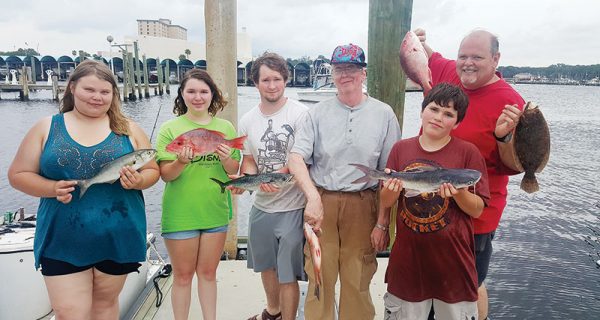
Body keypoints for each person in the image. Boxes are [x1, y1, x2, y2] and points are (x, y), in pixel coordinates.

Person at [7, 59, 160, 319]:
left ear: (114, 94)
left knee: (105, 305)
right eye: (89, 90)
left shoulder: (129, 130)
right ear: (72, 87)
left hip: (118, 233)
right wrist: (51, 187)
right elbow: (18, 175)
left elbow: (152, 171)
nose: (97, 97)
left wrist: (140, 181)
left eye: (105, 92)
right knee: (69, 312)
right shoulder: (46, 127)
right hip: (62, 236)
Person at [414, 28, 525, 320]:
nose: (468, 63)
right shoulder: (449, 71)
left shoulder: (511, 102)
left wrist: (503, 138)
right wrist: (419, 44)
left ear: (496, 59)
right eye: (463, 56)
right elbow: (429, 57)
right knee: (431, 276)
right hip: (430, 203)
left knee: (470, 282)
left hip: (477, 212)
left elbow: (516, 167)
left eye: (477, 57)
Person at [288, 43, 402, 320]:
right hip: (322, 204)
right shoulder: (316, 112)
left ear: (363, 73)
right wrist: (313, 198)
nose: (345, 74)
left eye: (352, 68)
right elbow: (295, 158)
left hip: (363, 204)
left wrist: (382, 223)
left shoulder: (384, 114)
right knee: (319, 278)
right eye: (339, 69)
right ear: (332, 73)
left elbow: (390, 173)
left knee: (358, 277)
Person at [372, 83, 490, 320]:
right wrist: (392, 189)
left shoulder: (468, 154)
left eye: (448, 114)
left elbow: (477, 209)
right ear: (423, 110)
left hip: (454, 266)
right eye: (434, 109)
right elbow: (386, 199)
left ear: (456, 123)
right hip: (408, 265)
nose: (438, 118)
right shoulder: (401, 149)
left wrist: (459, 193)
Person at [155, 69, 240, 320]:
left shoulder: (225, 127)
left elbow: (233, 170)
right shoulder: (171, 129)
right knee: (182, 276)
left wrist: (226, 158)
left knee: (209, 273)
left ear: (212, 94)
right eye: (191, 91)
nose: (198, 97)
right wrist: (180, 161)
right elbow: (166, 175)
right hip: (180, 213)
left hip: (215, 210)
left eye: (204, 91)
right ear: (182, 94)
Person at [230, 52, 308, 320]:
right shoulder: (247, 119)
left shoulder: (301, 113)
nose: (272, 85)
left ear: (285, 80)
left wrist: (277, 175)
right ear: (256, 83)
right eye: (266, 79)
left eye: (277, 79)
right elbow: (250, 160)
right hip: (261, 205)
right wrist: (248, 179)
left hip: (293, 205)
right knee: (266, 266)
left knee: (287, 271)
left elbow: (304, 157)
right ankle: (272, 312)